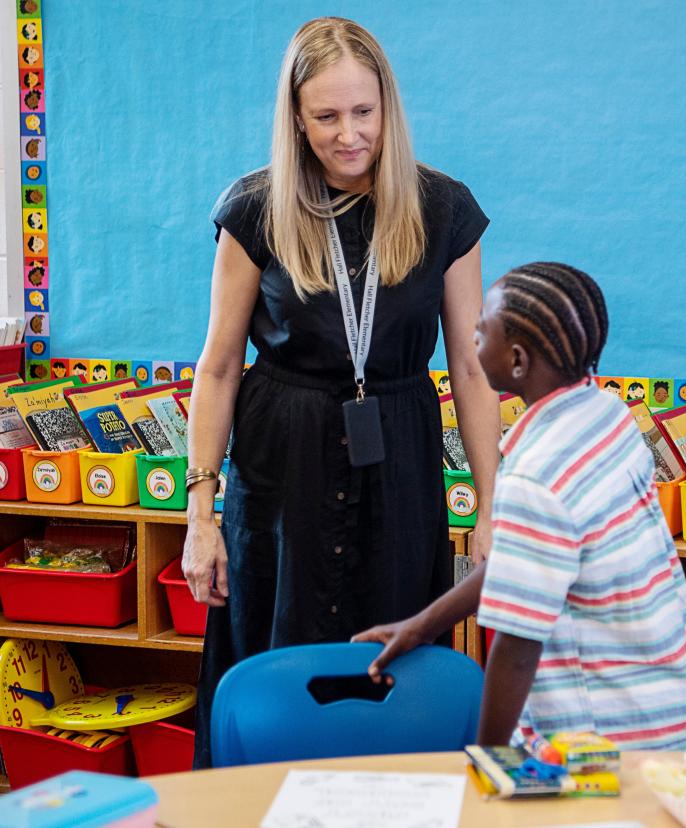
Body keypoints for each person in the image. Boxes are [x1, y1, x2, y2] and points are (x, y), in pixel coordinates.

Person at [181, 17, 500, 767]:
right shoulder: (254, 209)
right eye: (326, 117)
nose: (348, 134)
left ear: (388, 107)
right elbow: (220, 365)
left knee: (398, 658)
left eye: (363, 113)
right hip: (280, 464)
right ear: (296, 117)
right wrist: (200, 514)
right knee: (272, 648)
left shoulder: (444, 210)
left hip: (400, 459)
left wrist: (492, 509)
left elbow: (473, 368)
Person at [354, 262, 686, 751]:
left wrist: (487, 760)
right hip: (668, 705)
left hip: (604, 737)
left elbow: (516, 650)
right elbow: (518, 566)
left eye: (482, 332)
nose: (472, 338)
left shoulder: (536, 478)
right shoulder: (607, 418)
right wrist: (423, 625)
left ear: (517, 361)